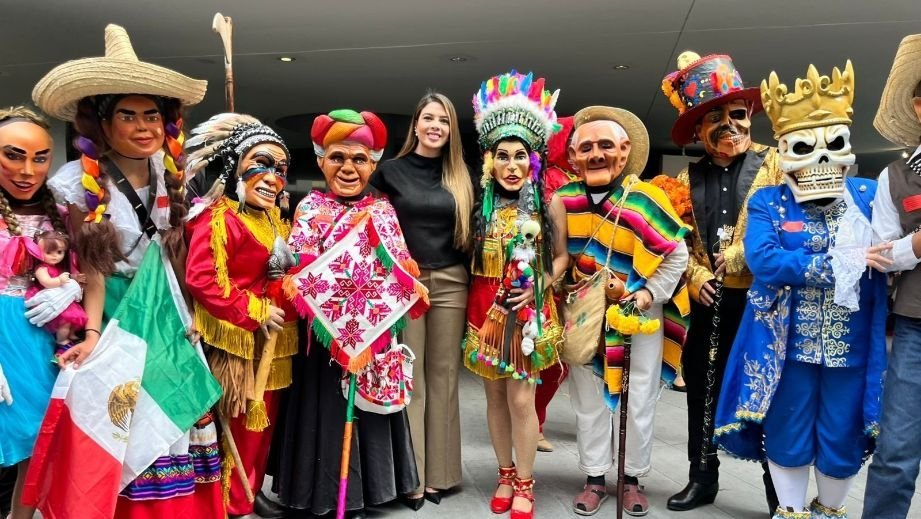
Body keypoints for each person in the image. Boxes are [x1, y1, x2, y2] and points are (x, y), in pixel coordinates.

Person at [31, 24, 223, 518]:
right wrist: (93, 332)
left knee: (177, 414)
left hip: (169, 311)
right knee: (126, 421)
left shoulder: (172, 170)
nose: (143, 127)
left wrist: (190, 314)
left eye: (152, 115)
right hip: (118, 309)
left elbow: (177, 255)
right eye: (128, 115)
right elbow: (92, 266)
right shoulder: (77, 182)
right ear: (103, 122)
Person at [714, 60, 887, 519]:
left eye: (832, 145)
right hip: (785, 346)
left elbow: (893, 248)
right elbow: (763, 260)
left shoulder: (870, 196)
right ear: (785, 151)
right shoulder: (769, 200)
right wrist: (838, 263)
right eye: (805, 147)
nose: (820, 158)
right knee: (788, 428)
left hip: (852, 346)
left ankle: (830, 511)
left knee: (843, 432)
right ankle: (790, 511)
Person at [270, 109, 420, 519]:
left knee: (368, 409)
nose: (348, 168)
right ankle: (320, 495)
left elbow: (400, 267)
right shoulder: (309, 208)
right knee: (326, 411)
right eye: (337, 157)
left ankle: (367, 493)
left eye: (359, 159)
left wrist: (368, 317)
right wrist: (336, 310)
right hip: (323, 337)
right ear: (320, 160)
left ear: (374, 163)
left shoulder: (384, 210)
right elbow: (300, 271)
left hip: (373, 332)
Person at [660, 50, 783, 514]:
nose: (728, 126)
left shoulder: (776, 165)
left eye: (736, 114)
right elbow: (677, 241)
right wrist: (694, 277)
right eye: (714, 119)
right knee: (703, 392)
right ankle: (702, 477)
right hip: (710, 304)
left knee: (770, 392)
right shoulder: (684, 179)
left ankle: (780, 490)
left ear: (750, 115)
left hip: (766, 303)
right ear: (697, 130)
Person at [559, 105, 690, 516]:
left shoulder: (646, 199)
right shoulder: (562, 201)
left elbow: (676, 254)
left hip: (639, 319)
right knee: (588, 399)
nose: (596, 154)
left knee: (638, 399)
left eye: (605, 146)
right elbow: (555, 258)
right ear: (574, 156)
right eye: (587, 147)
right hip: (584, 319)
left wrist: (643, 294)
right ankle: (596, 477)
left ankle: (631, 479)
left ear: (624, 150)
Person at [462, 70, 568, 519]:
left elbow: (560, 258)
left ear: (532, 160)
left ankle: (525, 483)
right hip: (483, 308)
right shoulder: (476, 205)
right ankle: (504, 474)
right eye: (502, 156)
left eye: (519, 156)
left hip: (527, 311)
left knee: (521, 399)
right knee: (493, 398)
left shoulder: (550, 203)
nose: (511, 164)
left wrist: (541, 285)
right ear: (489, 161)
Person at [183, 113, 299, 519]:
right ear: (235, 167)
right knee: (238, 423)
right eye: (261, 164)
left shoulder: (272, 219)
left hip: (277, 341)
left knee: (264, 424)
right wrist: (253, 310)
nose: (272, 177)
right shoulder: (218, 218)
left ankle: (250, 488)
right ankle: (231, 497)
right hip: (239, 340)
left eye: (280, 169)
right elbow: (203, 280)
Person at [369, 92, 473, 507]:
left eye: (444, 121)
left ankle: (441, 476)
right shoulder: (389, 172)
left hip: (451, 280)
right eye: (428, 118)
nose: (435, 126)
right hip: (405, 284)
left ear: (451, 130)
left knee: (445, 377)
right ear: (415, 124)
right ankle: (409, 475)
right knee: (410, 379)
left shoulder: (463, 176)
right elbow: (367, 225)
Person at [863, 33, 921, 519]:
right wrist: (916, 245)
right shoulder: (894, 175)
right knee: (897, 451)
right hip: (916, 329)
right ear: (919, 107)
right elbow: (880, 255)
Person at [0, 107, 67, 519]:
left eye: (40, 158)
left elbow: (84, 265)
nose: (28, 170)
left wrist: (72, 285)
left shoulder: (58, 209)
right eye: (13, 155)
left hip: (41, 333)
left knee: (38, 444)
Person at [534, 115, 575, 453]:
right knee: (550, 359)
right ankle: (533, 422)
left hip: (585, 282)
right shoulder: (548, 181)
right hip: (552, 281)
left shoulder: (579, 178)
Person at [25, 230, 87, 355]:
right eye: (49, 252)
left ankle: (71, 334)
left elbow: (66, 276)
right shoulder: (41, 268)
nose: (55, 256)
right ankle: (62, 340)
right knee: (65, 322)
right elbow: (46, 282)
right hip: (48, 296)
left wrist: (74, 278)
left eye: (59, 252)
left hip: (63, 296)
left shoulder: (57, 268)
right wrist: (59, 280)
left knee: (75, 318)